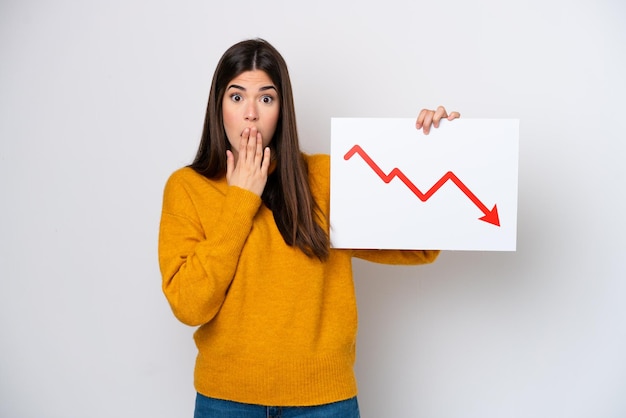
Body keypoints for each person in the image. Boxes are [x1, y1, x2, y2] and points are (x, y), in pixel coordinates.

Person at [158, 38, 460, 418]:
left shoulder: (324, 178)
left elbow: (418, 246)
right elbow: (189, 305)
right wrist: (241, 201)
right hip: (225, 402)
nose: (250, 113)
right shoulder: (187, 188)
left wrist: (440, 153)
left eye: (266, 99)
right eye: (237, 97)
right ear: (218, 106)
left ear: (282, 110)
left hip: (323, 403)